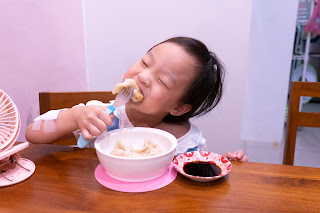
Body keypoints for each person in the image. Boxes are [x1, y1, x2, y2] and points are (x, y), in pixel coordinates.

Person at [25, 37, 247, 161]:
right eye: (145, 62)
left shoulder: (186, 142)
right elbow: (32, 132)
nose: (143, 76)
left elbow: (195, 170)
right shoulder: (100, 116)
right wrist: (75, 118)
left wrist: (222, 162)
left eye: (162, 81)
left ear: (178, 107)